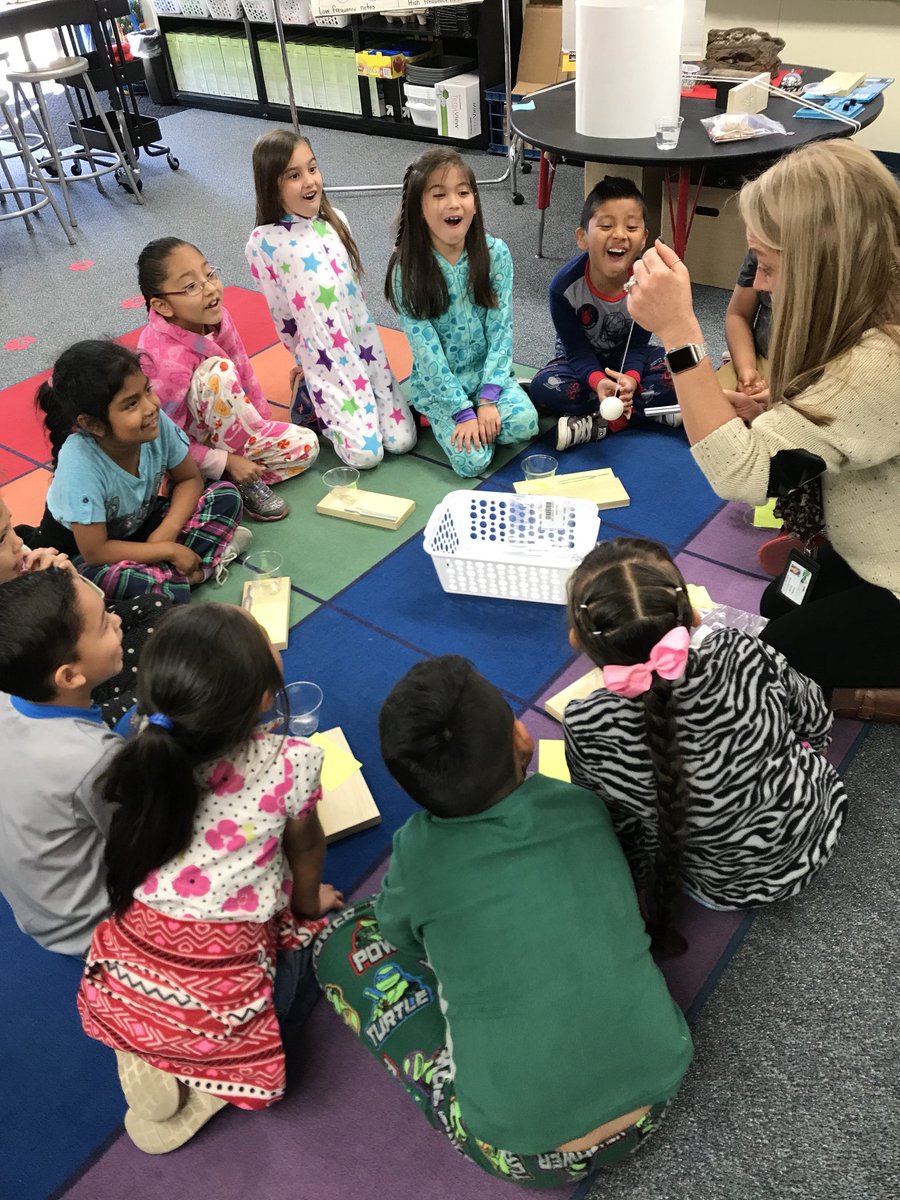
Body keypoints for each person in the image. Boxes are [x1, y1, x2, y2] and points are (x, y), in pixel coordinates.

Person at [314, 656, 692, 1189]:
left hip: (522, 1149)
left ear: (410, 787)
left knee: (340, 942)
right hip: (660, 1087)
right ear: (522, 737)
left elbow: (399, 939)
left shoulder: (416, 852)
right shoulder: (581, 805)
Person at [625, 140, 900, 720]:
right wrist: (776, 411)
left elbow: (743, 476)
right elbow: (846, 411)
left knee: (774, 659)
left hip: (891, 568)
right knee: (782, 603)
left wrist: (679, 331)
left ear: (824, 263)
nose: (763, 285)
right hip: (871, 538)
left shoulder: (881, 362)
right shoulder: (877, 302)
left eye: (768, 266)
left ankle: (876, 698)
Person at [77, 603, 345, 1155]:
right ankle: (213, 1076)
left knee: (165, 981)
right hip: (227, 971)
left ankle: (148, 1034)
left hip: (134, 953)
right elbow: (305, 846)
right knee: (314, 955)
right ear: (265, 699)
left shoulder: (145, 742)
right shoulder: (292, 762)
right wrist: (309, 905)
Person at [564, 539, 847, 939]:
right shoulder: (740, 650)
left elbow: (617, 827)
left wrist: (639, 883)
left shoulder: (586, 724)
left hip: (722, 886)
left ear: (578, 640)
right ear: (693, 616)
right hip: (819, 820)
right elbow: (814, 714)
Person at [247, 130, 416, 470]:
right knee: (366, 456)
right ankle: (310, 393)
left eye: (312, 168)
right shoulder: (263, 243)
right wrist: (307, 358)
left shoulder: (337, 221)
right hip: (326, 359)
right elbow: (282, 314)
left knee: (402, 441)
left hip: (366, 346)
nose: (310, 181)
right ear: (271, 185)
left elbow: (355, 296)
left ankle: (335, 397)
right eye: (294, 175)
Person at [31, 340, 247, 604]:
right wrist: (165, 550)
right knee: (103, 581)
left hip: (143, 529)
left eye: (147, 390)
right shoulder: (79, 463)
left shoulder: (155, 423)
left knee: (225, 495)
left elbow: (189, 479)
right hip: (88, 554)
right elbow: (96, 552)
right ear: (93, 424)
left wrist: (168, 530)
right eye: (131, 404)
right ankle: (195, 572)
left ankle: (167, 582)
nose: (151, 406)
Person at [137, 237, 318, 523]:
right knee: (217, 372)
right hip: (187, 454)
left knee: (307, 445)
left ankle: (222, 485)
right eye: (191, 286)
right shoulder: (161, 357)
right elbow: (165, 440)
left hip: (232, 435)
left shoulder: (219, 317)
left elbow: (244, 372)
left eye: (209, 274)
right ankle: (220, 482)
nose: (210, 288)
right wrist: (225, 461)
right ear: (162, 306)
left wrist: (261, 424)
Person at [385, 148, 538, 477]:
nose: (454, 203)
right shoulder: (407, 271)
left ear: (475, 201)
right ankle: (430, 414)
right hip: (442, 389)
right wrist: (461, 411)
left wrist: (488, 400)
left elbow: (501, 330)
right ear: (418, 208)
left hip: (487, 380)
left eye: (463, 193)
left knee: (526, 423)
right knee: (472, 462)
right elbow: (427, 354)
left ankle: (494, 409)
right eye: (439, 195)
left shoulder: (495, 254)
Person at [0, 568, 124, 955]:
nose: (117, 621)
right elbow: (147, 837)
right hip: (97, 926)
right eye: (104, 625)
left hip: (39, 913)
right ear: (69, 676)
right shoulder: (95, 758)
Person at [529, 176, 680, 453]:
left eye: (631, 227)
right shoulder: (563, 289)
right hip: (580, 364)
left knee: (681, 371)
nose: (620, 234)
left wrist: (631, 379)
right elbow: (576, 351)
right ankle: (651, 412)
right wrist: (599, 382)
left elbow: (637, 345)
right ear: (582, 238)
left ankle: (598, 423)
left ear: (643, 238)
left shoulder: (646, 283)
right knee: (543, 387)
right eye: (606, 226)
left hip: (629, 359)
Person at [1, 492, 170, 728]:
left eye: (10, 526)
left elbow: (94, 609)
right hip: (57, 708)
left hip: (79, 659)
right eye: (2, 538)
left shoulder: (20, 560)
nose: (18, 541)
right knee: (159, 693)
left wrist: (68, 582)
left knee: (155, 606)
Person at [716, 248, 771, 419]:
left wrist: (779, 392)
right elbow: (738, 315)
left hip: (817, 375)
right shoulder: (760, 248)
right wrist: (746, 368)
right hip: (763, 358)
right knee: (711, 404)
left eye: (768, 270)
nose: (757, 285)